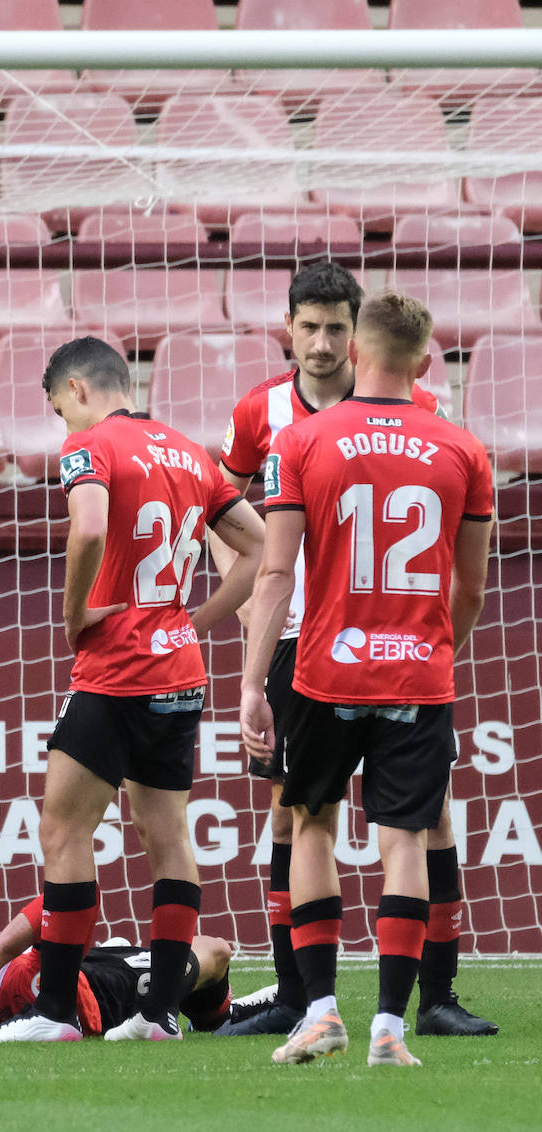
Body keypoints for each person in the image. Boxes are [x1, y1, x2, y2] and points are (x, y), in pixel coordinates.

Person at [212, 260, 496, 1038]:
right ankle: (332, 1005)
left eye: (339, 327)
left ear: (360, 342)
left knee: (320, 817)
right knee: (348, 820)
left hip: (324, 654)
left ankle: (383, 1000)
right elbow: (223, 509)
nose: (324, 341)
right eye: (310, 326)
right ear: (290, 330)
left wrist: (244, 664)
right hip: (379, 649)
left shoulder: (310, 437)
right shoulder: (454, 441)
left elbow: (269, 561)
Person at [0, 336, 265, 1044]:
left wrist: (75, 613)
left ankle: (55, 1013)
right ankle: (160, 1014)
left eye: (57, 410)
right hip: (179, 671)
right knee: (169, 840)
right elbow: (256, 548)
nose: (63, 427)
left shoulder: (92, 446)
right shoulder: (190, 452)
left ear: (76, 388)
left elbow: (90, 526)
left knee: (64, 829)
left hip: (118, 668)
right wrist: (194, 621)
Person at [0, 849, 233, 1041]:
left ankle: (116, 950)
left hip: (52, 952)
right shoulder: (20, 993)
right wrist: (1, 953)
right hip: (95, 995)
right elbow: (79, 897)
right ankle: (220, 1017)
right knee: (215, 952)